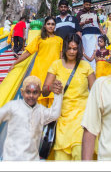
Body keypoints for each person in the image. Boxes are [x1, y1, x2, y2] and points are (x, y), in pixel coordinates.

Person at [42, 33, 95, 161]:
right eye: (69, 48)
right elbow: (44, 91)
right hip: (62, 116)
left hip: (82, 116)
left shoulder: (86, 66)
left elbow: (95, 92)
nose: (71, 52)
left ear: (79, 49)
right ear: (64, 48)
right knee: (61, 156)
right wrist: (52, 88)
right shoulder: (56, 65)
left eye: (75, 49)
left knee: (79, 151)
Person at [8, 16, 63, 107]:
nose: (50, 26)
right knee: (39, 102)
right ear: (44, 26)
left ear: (55, 26)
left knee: (53, 102)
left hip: (53, 73)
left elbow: (61, 58)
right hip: (40, 71)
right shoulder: (39, 39)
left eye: (53, 24)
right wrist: (14, 63)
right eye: (48, 24)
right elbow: (27, 53)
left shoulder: (59, 40)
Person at [76, 0, 104, 71]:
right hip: (87, 35)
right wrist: (85, 22)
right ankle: (90, 71)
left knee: (98, 52)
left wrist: (102, 32)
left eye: (89, 5)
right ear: (83, 4)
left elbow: (98, 23)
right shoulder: (79, 13)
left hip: (97, 34)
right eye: (86, 5)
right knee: (89, 52)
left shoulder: (94, 12)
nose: (88, 6)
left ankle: (99, 70)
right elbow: (77, 25)